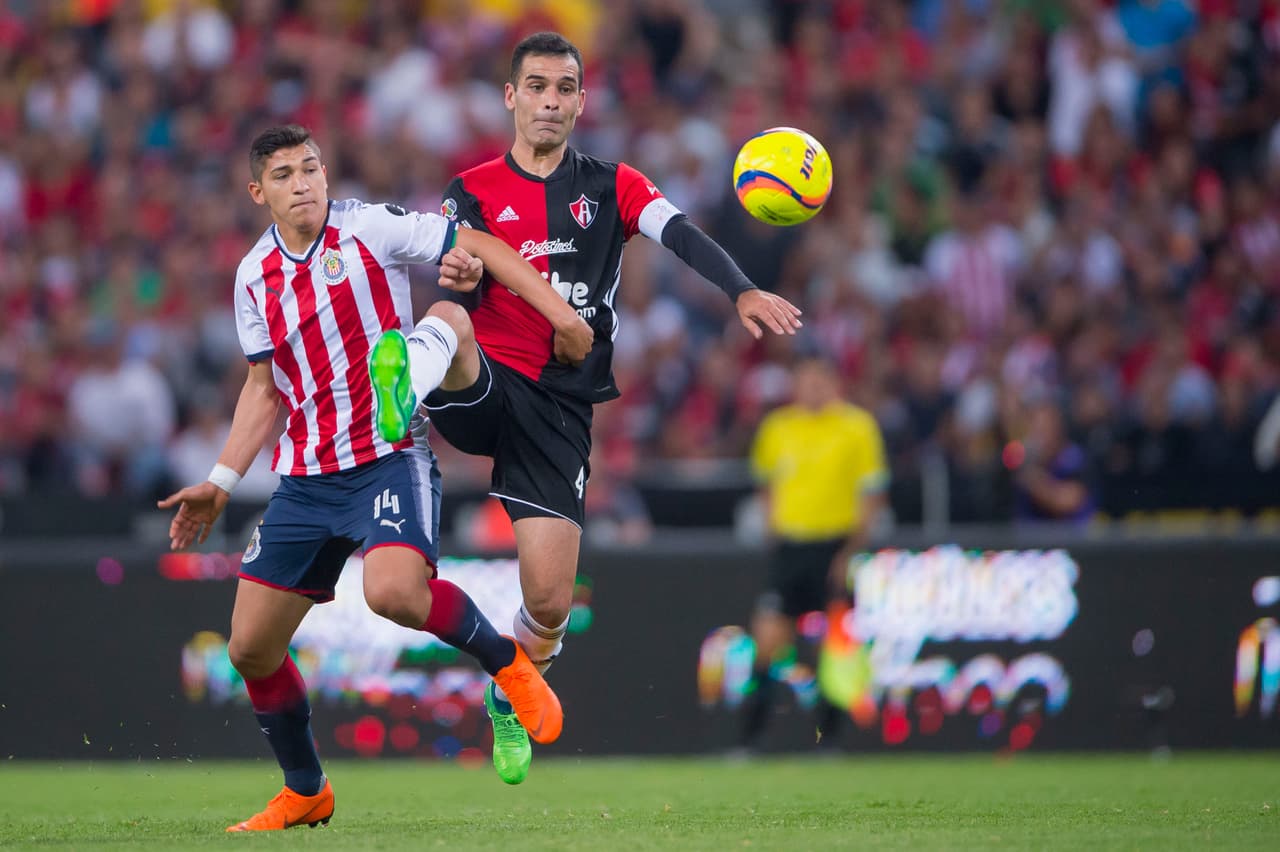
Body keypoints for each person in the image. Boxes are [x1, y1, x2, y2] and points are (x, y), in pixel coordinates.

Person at [369, 32, 803, 785]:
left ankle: (508, 693)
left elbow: (680, 233)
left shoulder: (614, 185)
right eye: (536, 86)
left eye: (564, 88)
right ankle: (402, 387)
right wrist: (460, 270)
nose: (550, 101)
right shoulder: (471, 189)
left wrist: (741, 290)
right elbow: (460, 267)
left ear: (579, 102)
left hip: (560, 406)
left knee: (549, 605)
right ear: (511, 97)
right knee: (449, 316)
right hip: (486, 382)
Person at [157, 125, 590, 832]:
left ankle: (507, 665)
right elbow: (264, 387)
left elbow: (476, 244)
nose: (303, 183)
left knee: (392, 592)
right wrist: (221, 480)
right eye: (285, 175)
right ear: (258, 192)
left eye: (311, 167)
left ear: (326, 173)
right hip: (306, 477)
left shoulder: (370, 229)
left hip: (388, 456)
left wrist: (559, 314)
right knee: (249, 649)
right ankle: (306, 790)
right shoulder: (253, 276)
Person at [738, 354, 888, 752]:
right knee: (767, 640)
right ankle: (750, 739)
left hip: (835, 546)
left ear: (835, 384)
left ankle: (831, 740)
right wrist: (773, 526)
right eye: (805, 381)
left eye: (820, 381)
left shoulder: (857, 426)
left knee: (834, 648)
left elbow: (872, 495)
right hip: (791, 546)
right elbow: (766, 483)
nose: (813, 389)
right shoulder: (778, 427)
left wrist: (850, 551)